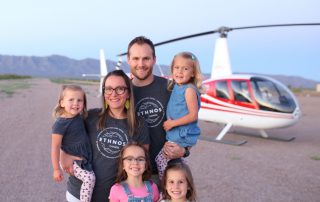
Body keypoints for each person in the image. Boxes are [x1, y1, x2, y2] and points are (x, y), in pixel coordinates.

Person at [61, 70, 150, 201]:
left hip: (115, 197)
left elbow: (142, 161)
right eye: (108, 89)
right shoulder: (90, 117)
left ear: (128, 93)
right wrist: (64, 155)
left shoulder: (139, 124)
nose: (113, 94)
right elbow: (64, 133)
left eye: (120, 89)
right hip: (79, 194)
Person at [127, 36, 187, 186]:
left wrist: (184, 150)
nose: (141, 64)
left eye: (146, 58)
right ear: (128, 60)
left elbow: (189, 124)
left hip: (169, 171)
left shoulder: (171, 88)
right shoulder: (122, 92)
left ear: (154, 59)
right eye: (135, 58)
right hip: (132, 174)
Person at [155, 52, 203, 179]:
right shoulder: (177, 86)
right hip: (175, 133)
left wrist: (172, 123)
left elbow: (193, 116)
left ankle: (165, 188)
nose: (180, 72)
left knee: (162, 160)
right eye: (177, 68)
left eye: (185, 68)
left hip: (181, 134)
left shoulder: (189, 90)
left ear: (193, 73)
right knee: (169, 162)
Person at [51, 85, 96, 202]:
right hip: (73, 160)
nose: (76, 103)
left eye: (79, 100)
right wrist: (56, 169)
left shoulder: (78, 117)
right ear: (62, 103)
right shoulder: (61, 124)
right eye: (71, 100)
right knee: (89, 178)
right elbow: (55, 147)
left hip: (80, 157)